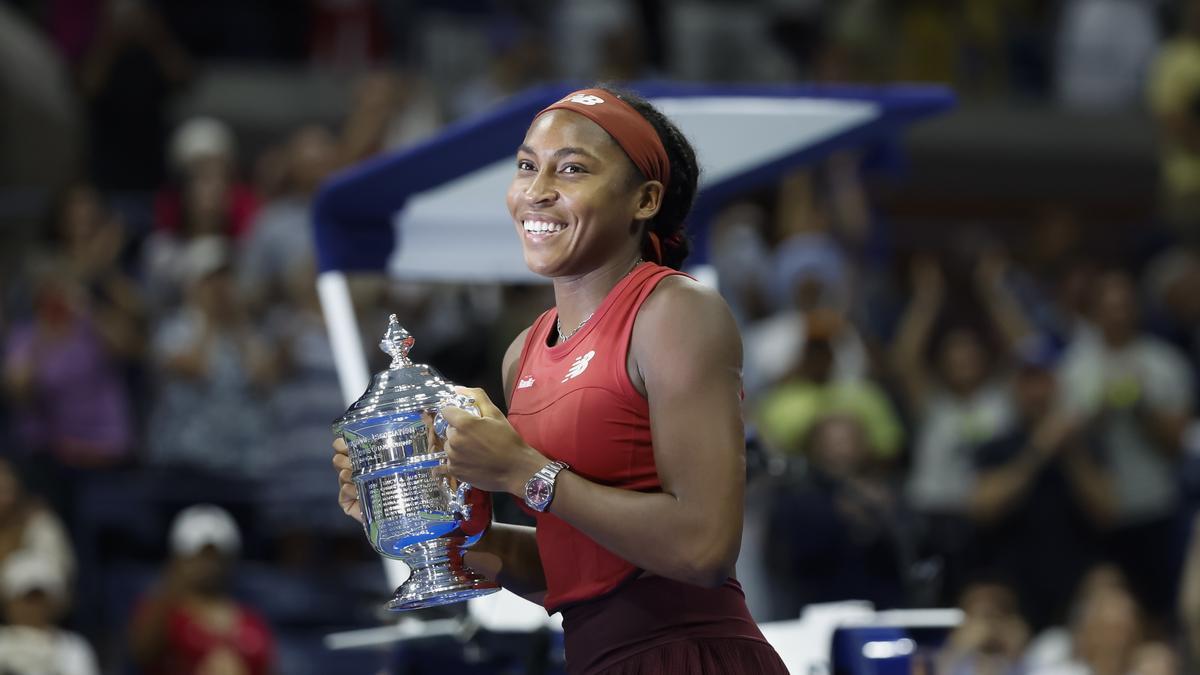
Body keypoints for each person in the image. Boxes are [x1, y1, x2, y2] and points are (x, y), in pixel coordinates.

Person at [334, 86, 788, 674]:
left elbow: (703, 547)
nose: (537, 191)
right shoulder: (523, 354)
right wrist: (413, 513)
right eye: (527, 166)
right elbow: (574, 573)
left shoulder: (674, 311)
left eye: (571, 169)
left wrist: (523, 470)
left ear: (645, 199)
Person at [128, 504, 276, 675]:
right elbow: (141, 653)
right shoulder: (163, 611)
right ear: (179, 559)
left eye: (215, 557)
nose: (207, 566)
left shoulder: (252, 622)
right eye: (199, 556)